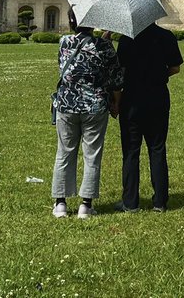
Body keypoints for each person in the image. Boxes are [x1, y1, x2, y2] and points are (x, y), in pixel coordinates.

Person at [51, 14, 123, 219]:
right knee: (91, 154)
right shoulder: (104, 46)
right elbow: (116, 78)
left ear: (72, 23)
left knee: (64, 152)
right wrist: (116, 102)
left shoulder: (64, 41)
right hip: (95, 106)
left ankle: (60, 204)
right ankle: (85, 205)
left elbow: (64, 69)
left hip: (67, 104)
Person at [114, 22, 183, 213]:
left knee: (131, 150)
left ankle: (130, 202)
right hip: (157, 97)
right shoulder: (166, 36)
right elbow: (176, 67)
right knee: (157, 148)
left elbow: (120, 71)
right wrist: (160, 75)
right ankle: (160, 202)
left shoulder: (127, 39)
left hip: (132, 99)